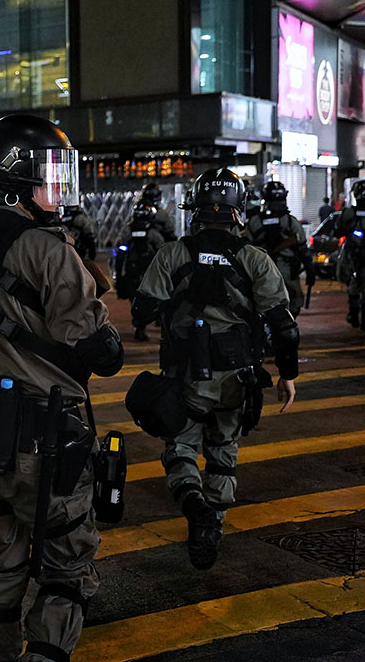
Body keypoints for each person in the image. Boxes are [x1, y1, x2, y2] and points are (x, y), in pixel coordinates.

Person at [0, 114, 123, 662]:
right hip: (43, 443)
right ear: (19, 183)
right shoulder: (49, 250)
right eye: (49, 177)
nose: (57, 190)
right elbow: (95, 349)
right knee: (66, 573)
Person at [131, 167, 298, 570]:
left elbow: (142, 309)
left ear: (196, 210)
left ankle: (194, 507)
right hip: (236, 378)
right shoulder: (255, 260)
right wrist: (287, 375)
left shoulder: (172, 253)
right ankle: (214, 524)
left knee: (181, 448)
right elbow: (284, 328)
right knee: (223, 450)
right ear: (239, 211)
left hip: (184, 377)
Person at [243, 180, 312, 317]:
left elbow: (245, 249)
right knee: (293, 301)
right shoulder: (291, 221)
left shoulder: (255, 221)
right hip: (286, 268)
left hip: (260, 269)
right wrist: (309, 268)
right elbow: (303, 247)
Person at [114, 202, 167, 340]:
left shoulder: (128, 230)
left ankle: (140, 326)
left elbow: (120, 249)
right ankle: (157, 320)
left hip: (132, 271)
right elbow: (161, 248)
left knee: (135, 299)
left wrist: (119, 274)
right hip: (150, 271)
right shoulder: (152, 231)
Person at [336, 179, 365, 328]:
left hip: (354, 255)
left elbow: (338, 231)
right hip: (354, 254)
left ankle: (354, 314)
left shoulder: (349, 212)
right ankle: (354, 315)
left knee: (353, 284)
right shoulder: (349, 212)